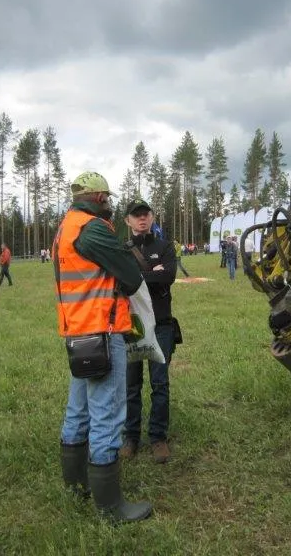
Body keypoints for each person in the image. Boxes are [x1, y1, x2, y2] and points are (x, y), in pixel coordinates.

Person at [54, 171, 152, 523]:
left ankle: (76, 487)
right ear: (98, 198)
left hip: (78, 331)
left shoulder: (67, 227)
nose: (109, 204)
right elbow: (132, 275)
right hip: (103, 331)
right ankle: (111, 507)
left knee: (77, 411)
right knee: (107, 415)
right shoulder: (93, 228)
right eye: (107, 198)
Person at [120, 199, 177, 464]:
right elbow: (119, 281)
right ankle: (131, 437)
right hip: (131, 324)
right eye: (136, 215)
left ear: (152, 218)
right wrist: (152, 273)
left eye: (146, 214)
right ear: (127, 221)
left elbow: (168, 276)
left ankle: (158, 438)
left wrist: (137, 277)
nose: (142, 218)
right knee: (130, 385)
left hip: (161, 323)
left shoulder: (165, 246)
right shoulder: (121, 250)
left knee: (160, 383)